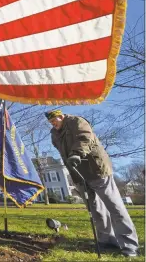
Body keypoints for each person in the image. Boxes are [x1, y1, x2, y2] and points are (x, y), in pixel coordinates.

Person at [45, 109, 139, 257]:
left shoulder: (76, 122)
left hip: (96, 169)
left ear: (61, 116)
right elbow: (62, 153)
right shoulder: (54, 134)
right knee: (96, 210)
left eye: (54, 120)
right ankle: (106, 240)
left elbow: (85, 137)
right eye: (50, 122)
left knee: (115, 207)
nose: (53, 124)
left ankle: (129, 246)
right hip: (79, 174)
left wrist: (76, 153)